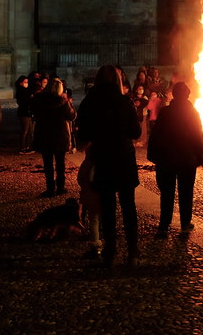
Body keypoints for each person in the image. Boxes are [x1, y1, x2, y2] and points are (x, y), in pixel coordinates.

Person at [76, 65, 142, 267]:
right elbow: (136, 132)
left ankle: (111, 253)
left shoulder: (90, 102)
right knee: (128, 207)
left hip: (103, 157)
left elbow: (83, 132)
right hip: (123, 157)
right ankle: (133, 253)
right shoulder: (125, 101)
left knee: (107, 208)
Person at [147, 81, 203, 238]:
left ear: (174, 95)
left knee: (167, 193)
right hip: (187, 160)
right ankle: (185, 223)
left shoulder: (166, 112)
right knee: (186, 192)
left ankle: (164, 225)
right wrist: (202, 156)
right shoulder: (193, 113)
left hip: (167, 159)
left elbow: (156, 135)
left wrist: (153, 155)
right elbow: (198, 135)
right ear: (187, 95)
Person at [32, 78, 76, 197]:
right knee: (60, 163)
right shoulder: (63, 101)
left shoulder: (38, 99)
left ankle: (50, 188)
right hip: (59, 134)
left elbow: (34, 112)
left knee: (48, 163)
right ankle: (60, 187)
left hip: (44, 133)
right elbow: (71, 116)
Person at [15, 75, 35, 154]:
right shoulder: (20, 91)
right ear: (21, 83)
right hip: (23, 113)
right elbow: (23, 102)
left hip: (28, 112)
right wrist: (30, 98)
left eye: (27, 82)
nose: (26, 84)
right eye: (25, 82)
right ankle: (22, 148)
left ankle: (28, 146)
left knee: (30, 131)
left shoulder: (27, 90)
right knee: (25, 131)